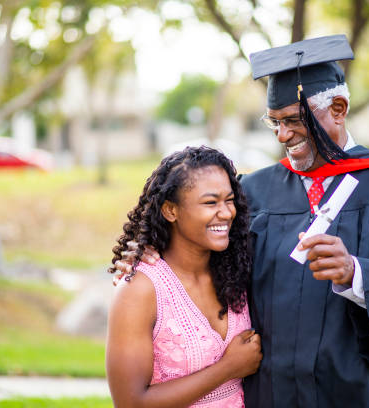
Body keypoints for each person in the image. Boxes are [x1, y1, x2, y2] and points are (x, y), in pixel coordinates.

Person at [115, 34, 369, 407]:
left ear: (339, 109)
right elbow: (207, 255)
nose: (283, 135)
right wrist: (154, 253)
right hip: (273, 393)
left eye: (295, 121)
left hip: (364, 393)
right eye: (275, 122)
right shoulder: (255, 190)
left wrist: (356, 274)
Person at [105, 146, 262, 408]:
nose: (226, 213)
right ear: (170, 211)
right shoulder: (141, 289)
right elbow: (130, 403)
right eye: (210, 202)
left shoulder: (237, 269)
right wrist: (227, 369)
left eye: (229, 200)